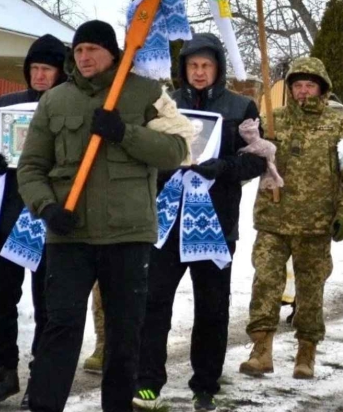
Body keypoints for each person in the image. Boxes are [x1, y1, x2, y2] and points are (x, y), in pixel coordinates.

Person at [17, 20, 189, 412]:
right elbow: (31, 167)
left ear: (113, 53)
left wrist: (124, 133)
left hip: (127, 235)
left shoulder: (147, 94)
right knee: (60, 327)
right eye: (78, 50)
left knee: (125, 333)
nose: (84, 57)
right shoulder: (55, 100)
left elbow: (176, 150)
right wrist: (47, 207)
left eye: (92, 49)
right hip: (69, 235)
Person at [132, 34, 268, 411]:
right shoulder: (164, 104)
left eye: (206, 65)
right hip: (166, 223)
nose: (199, 72)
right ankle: (147, 382)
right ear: (183, 68)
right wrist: (167, 167)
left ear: (218, 68)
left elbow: (257, 158)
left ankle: (205, 384)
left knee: (212, 308)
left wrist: (223, 167)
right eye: (193, 65)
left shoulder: (241, 107)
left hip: (215, 225)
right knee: (153, 302)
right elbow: (145, 150)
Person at [239, 57, 343, 380]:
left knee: (310, 290)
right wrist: (256, 148)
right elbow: (248, 161)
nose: (303, 91)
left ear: (322, 89)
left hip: (315, 224)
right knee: (265, 283)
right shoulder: (273, 120)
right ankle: (261, 350)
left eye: (310, 86)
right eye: (297, 86)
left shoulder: (338, 125)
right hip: (273, 219)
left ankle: (306, 352)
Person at [0, 34, 67, 407]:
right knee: (0, 296)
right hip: (7, 217)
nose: (40, 76)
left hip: (48, 221)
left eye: (47, 69)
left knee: (48, 304)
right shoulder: (6, 106)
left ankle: (41, 377)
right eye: (34, 68)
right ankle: (5, 371)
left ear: (61, 72)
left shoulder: (69, 107)